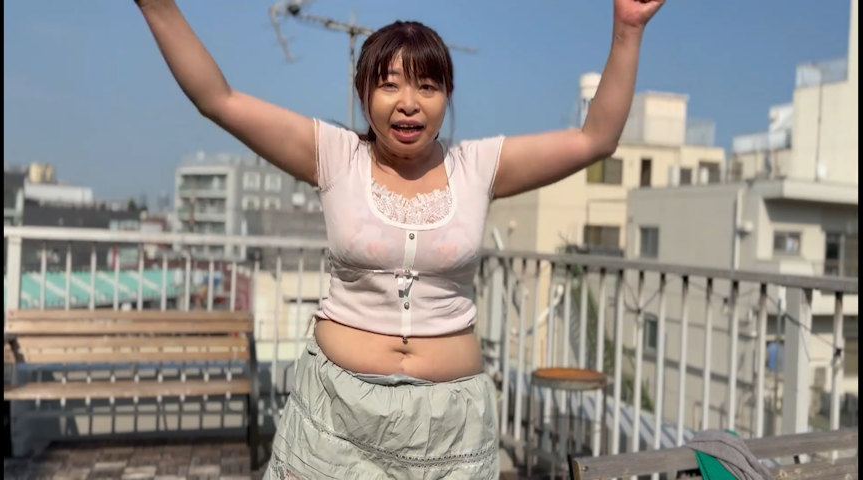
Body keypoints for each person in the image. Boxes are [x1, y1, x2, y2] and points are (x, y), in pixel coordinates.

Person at [133, 0, 664, 478]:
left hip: (450, 431)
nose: (409, 103)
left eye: (427, 87)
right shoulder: (335, 156)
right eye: (389, 85)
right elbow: (218, 100)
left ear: (446, 96)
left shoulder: (477, 166)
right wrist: (156, 6)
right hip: (335, 422)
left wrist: (628, 30)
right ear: (363, 93)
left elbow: (595, 139)